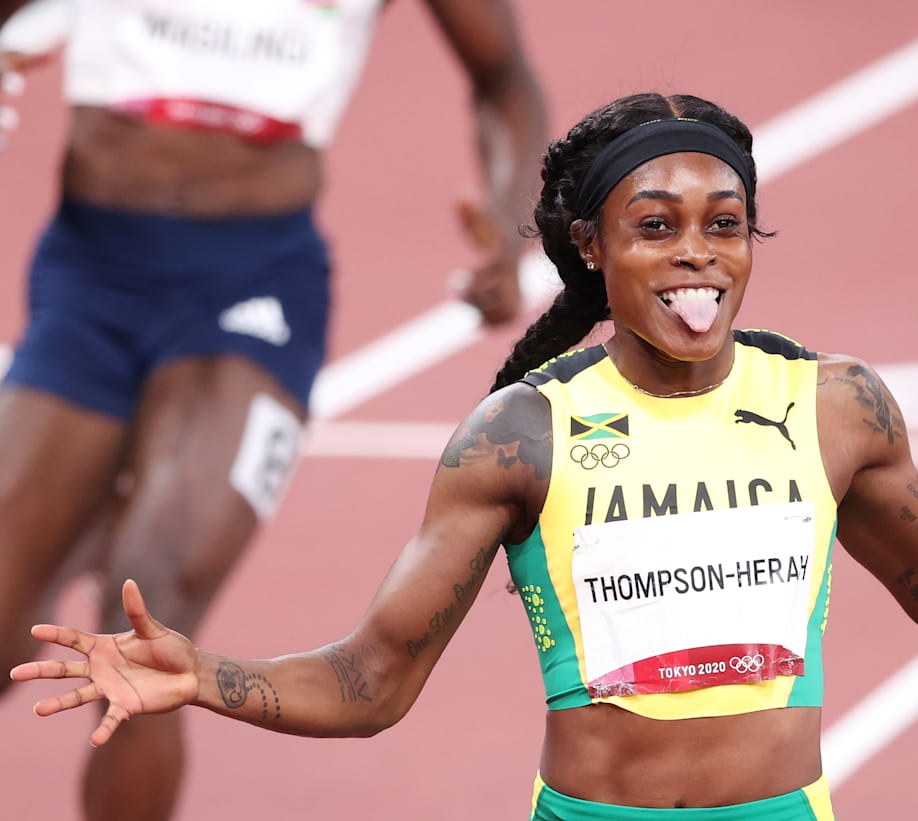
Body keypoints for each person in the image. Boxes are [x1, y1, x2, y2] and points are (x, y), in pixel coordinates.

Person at [8, 92, 918, 821]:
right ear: (592, 247)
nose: (697, 255)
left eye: (724, 223)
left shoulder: (833, 407)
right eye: (657, 226)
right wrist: (209, 678)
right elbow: (373, 683)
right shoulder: (521, 434)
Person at [0, 1, 546, 819]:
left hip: (253, 293)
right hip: (89, 282)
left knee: (146, 614)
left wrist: (509, 226)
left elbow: (503, 76)